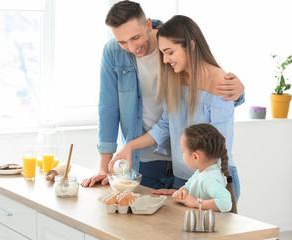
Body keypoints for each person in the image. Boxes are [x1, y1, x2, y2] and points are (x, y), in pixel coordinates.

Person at [81, 1, 245, 190]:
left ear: (148, 25)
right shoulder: (116, 54)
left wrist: (238, 92)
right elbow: (109, 109)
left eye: (136, 37)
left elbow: (210, 86)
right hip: (166, 167)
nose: (132, 47)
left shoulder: (175, 41)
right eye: (123, 42)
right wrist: (116, 157)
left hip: (201, 174)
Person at [172, 123, 237, 213]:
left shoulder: (208, 179)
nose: (182, 154)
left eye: (183, 151)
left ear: (195, 157)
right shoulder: (205, 170)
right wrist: (184, 189)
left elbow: (225, 203)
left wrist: (195, 203)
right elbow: (191, 182)